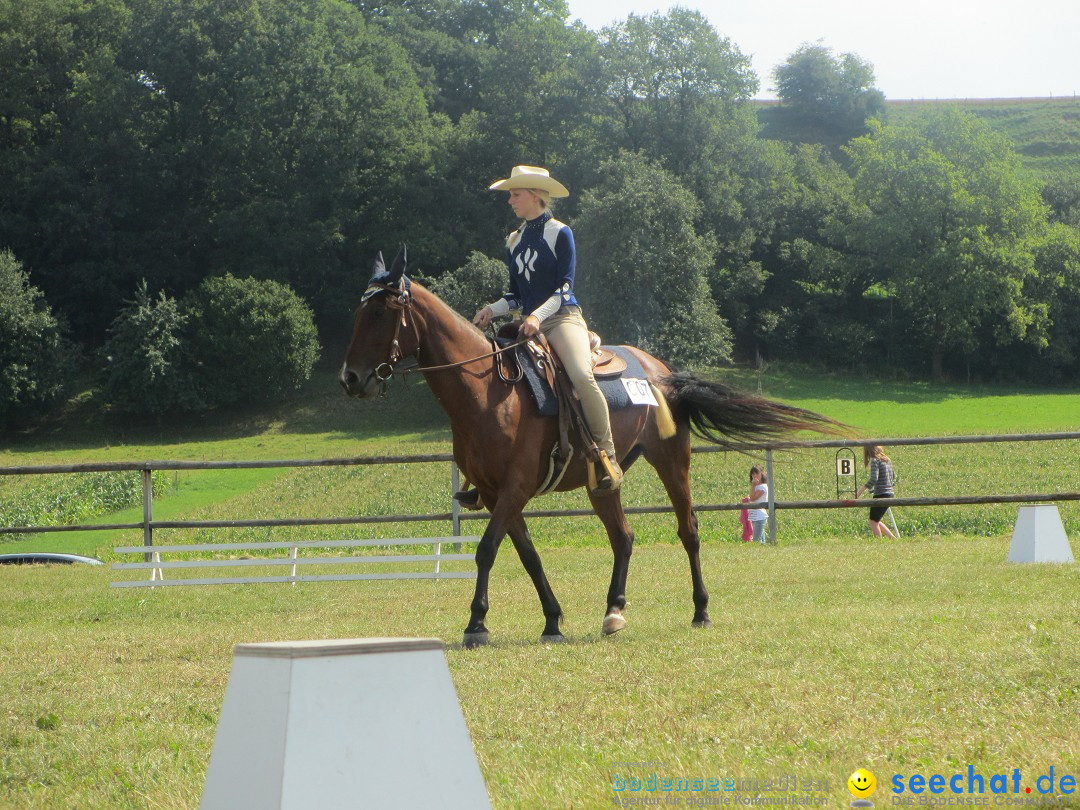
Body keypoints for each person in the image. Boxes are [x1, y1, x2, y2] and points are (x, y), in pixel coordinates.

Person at [473, 165, 622, 492]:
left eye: (515, 194)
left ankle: (607, 455)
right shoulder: (513, 241)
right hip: (530, 324)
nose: (510, 200)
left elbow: (564, 289)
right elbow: (514, 295)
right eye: (510, 194)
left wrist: (538, 316)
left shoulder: (560, 232)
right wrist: (491, 310)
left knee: (582, 377)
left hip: (562, 319)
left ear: (536, 195)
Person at [855, 445, 897, 538]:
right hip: (890, 493)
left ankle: (879, 541)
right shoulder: (887, 459)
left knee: (873, 521)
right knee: (876, 520)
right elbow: (893, 476)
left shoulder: (875, 460)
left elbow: (874, 479)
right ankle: (893, 538)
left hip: (881, 494)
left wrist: (860, 491)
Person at [747, 465, 769, 544]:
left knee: (756, 540)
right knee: (761, 540)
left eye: (757, 473)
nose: (755, 476)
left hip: (760, 515)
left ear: (761, 474)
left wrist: (753, 486)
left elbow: (753, 498)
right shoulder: (756, 486)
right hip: (754, 514)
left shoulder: (763, 487)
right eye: (753, 474)